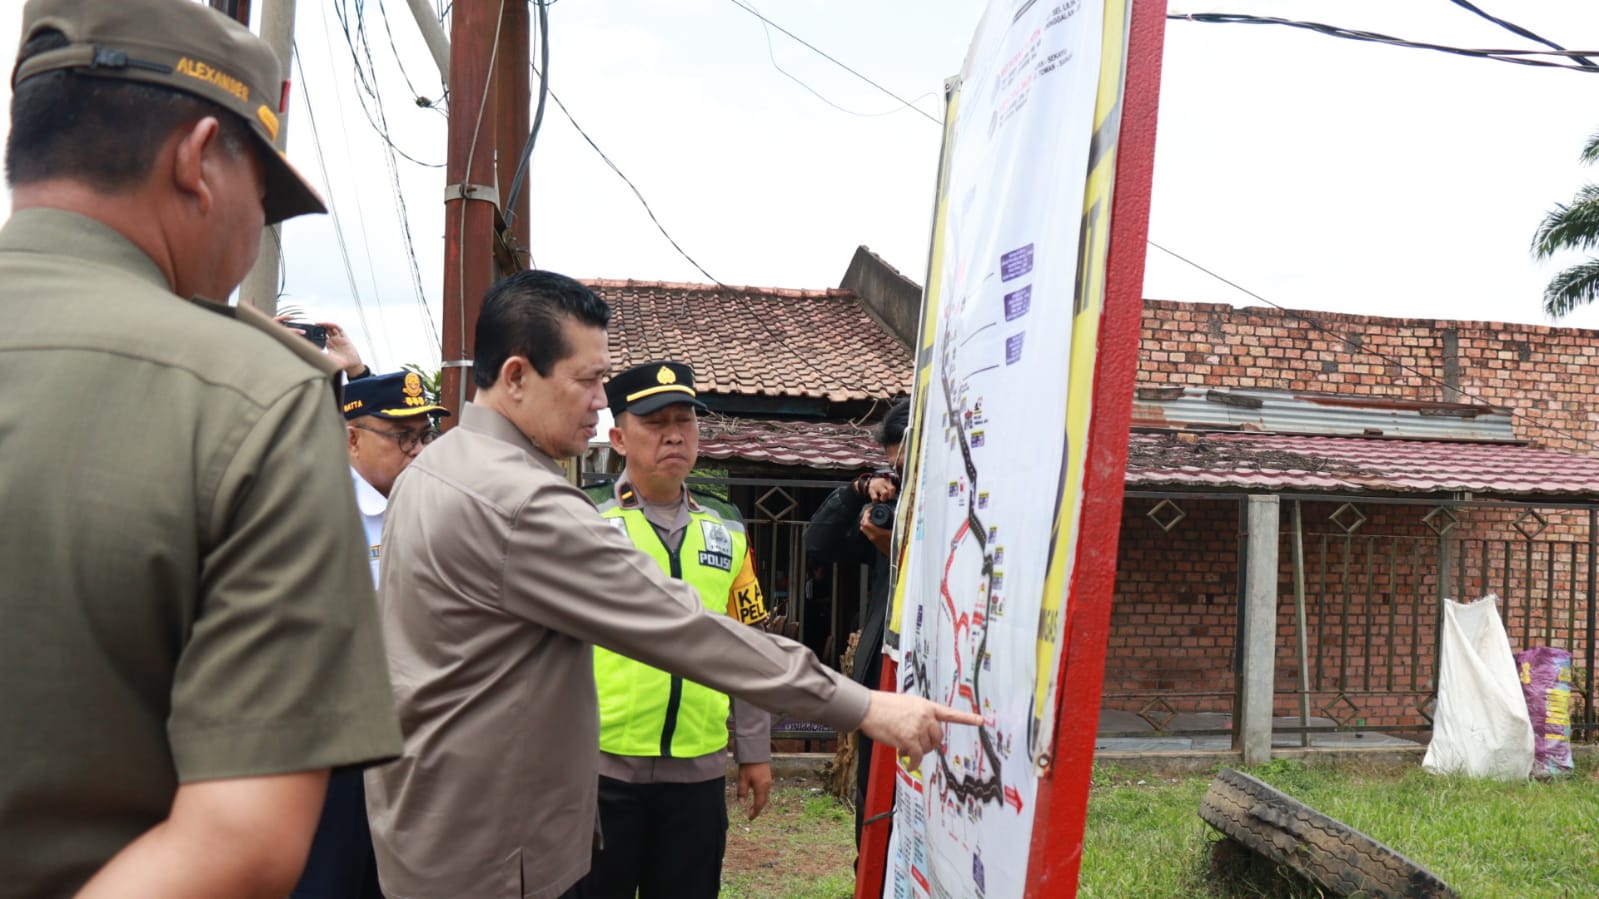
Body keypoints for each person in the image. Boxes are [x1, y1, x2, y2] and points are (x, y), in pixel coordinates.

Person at [365, 270, 980, 899]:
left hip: (437, 821)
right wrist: (867, 706)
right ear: (517, 376)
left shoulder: (434, 468)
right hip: (498, 846)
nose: (600, 400)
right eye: (588, 381)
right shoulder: (525, 502)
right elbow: (685, 629)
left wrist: (753, 745)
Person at [0, 2, 402, 897]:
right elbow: (240, 840)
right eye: (264, 197)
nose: (257, 228)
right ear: (197, 158)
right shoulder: (254, 399)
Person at [578, 361, 773, 899]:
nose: (674, 436)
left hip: (697, 772)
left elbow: (750, 643)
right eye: (655, 422)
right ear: (618, 438)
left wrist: (755, 749)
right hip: (600, 769)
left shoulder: (726, 528)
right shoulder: (583, 521)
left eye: (684, 421)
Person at [292, 372, 448, 899]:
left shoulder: (424, 508)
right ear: (352, 438)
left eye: (423, 435)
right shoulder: (318, 510)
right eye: (402, 436)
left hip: (408, 739)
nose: (417, 451)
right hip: (333, 744)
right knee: (330, 877)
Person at [803, 398, 911, 855]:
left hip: (934, 681)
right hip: (880, 675)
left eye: (908, 468)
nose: (903, 478)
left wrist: (897, 549)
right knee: (874, 803)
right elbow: (817, 543)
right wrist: (859, 490)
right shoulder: (897, 505)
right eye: (897, 470)